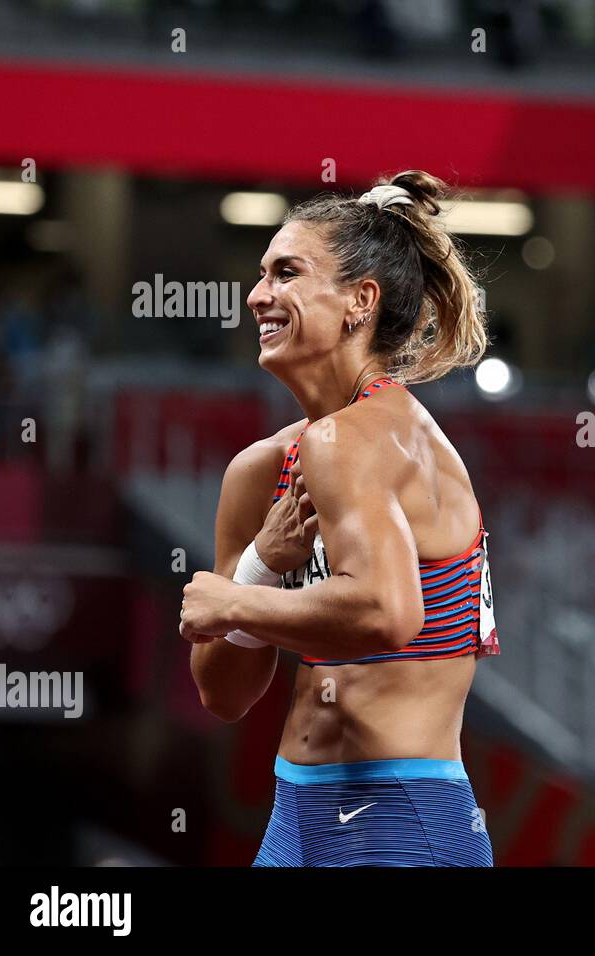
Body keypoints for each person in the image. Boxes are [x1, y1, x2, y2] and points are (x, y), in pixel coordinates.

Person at [179, 170, 499, 866]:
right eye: (261, 273)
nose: (258, 294)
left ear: (359, 301)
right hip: (297, 812)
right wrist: (263, 562)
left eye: (287, 273)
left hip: (400, 819)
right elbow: (222, 692)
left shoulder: (363, 438)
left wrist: (237, 596)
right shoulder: (266, 468)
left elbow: (388, 612)